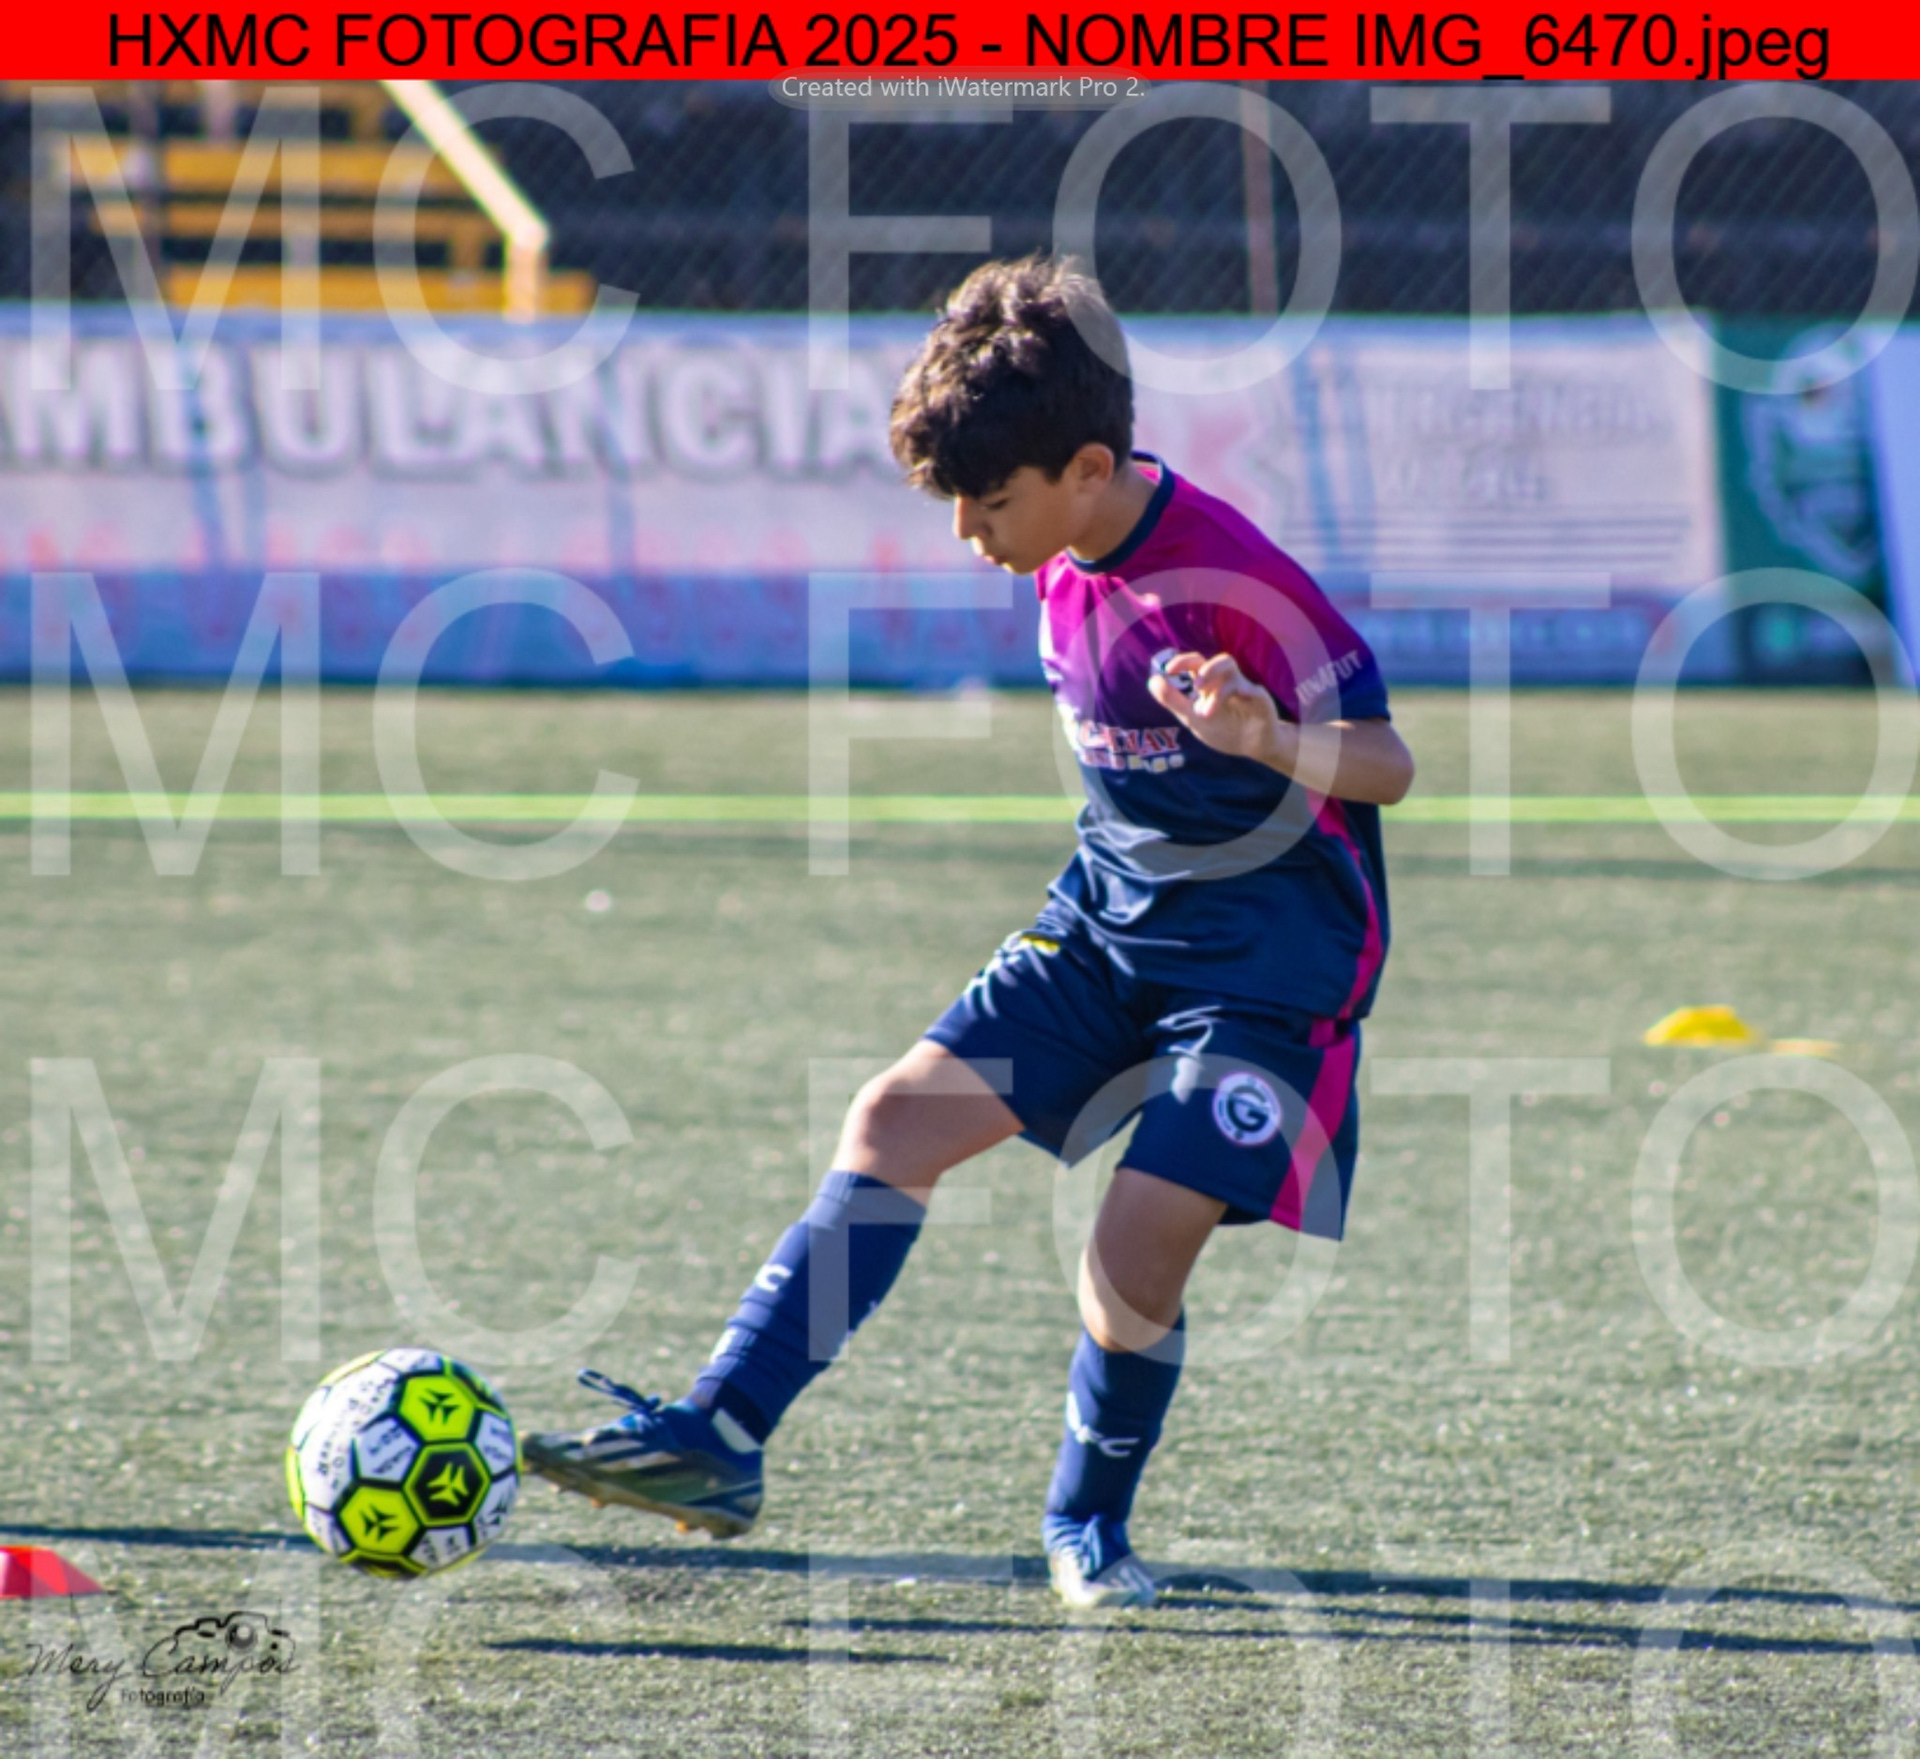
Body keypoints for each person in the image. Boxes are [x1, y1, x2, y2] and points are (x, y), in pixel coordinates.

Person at [523, 255, 1415, 1610]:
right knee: (893, 1122)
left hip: (1268, 968)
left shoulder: (1235, 579)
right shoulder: (1059, 543)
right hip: (1107, 926)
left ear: (1088, 468)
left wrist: (1269, 739)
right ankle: (721, 1436)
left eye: (988, 504)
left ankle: (1087, 1524)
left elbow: (1390, 765)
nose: (966, 534)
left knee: (1132, 1247)